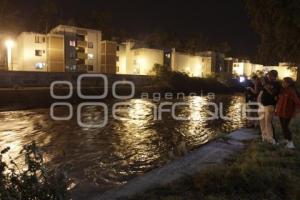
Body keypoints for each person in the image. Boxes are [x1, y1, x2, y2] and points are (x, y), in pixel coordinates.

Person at [276, 77, 300, 149]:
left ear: (288, 83)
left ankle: (291, 143)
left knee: (285, 127)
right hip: (281, 111)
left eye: (284, 82)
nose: (282, 83)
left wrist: (296, 111)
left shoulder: (291, 91)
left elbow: (297, 102)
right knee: (283, 127)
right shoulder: (284, 90)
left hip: (287, 112)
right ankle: (286, 140)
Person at [258, 70, 281, 144]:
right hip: (262, 105)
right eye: (269, 75)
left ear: (275, 76)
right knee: (262, 123)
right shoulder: (265, 82)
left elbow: (272, 93)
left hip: (270, 105)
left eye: (272, 76)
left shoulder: (277, 84)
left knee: (268, 123)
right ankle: (264, 138)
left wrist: (265, 85)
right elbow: (262, 91)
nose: (270, 77)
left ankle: (271, 139)